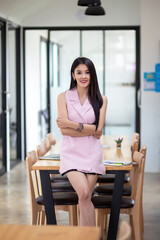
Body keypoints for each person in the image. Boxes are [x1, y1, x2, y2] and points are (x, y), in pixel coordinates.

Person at [56, 57, 107, 226]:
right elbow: (63, 131)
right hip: (71, 154)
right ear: (73, 75)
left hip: (92, 153)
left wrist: (72, 125)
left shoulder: (101, 99)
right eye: (79, 72)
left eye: (87, 72)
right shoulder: (63, 97)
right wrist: (88, 129)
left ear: (92, 75)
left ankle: (86, 236)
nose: (83, 76)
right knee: (84, 192)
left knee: (85, 197)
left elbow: (99, 132)